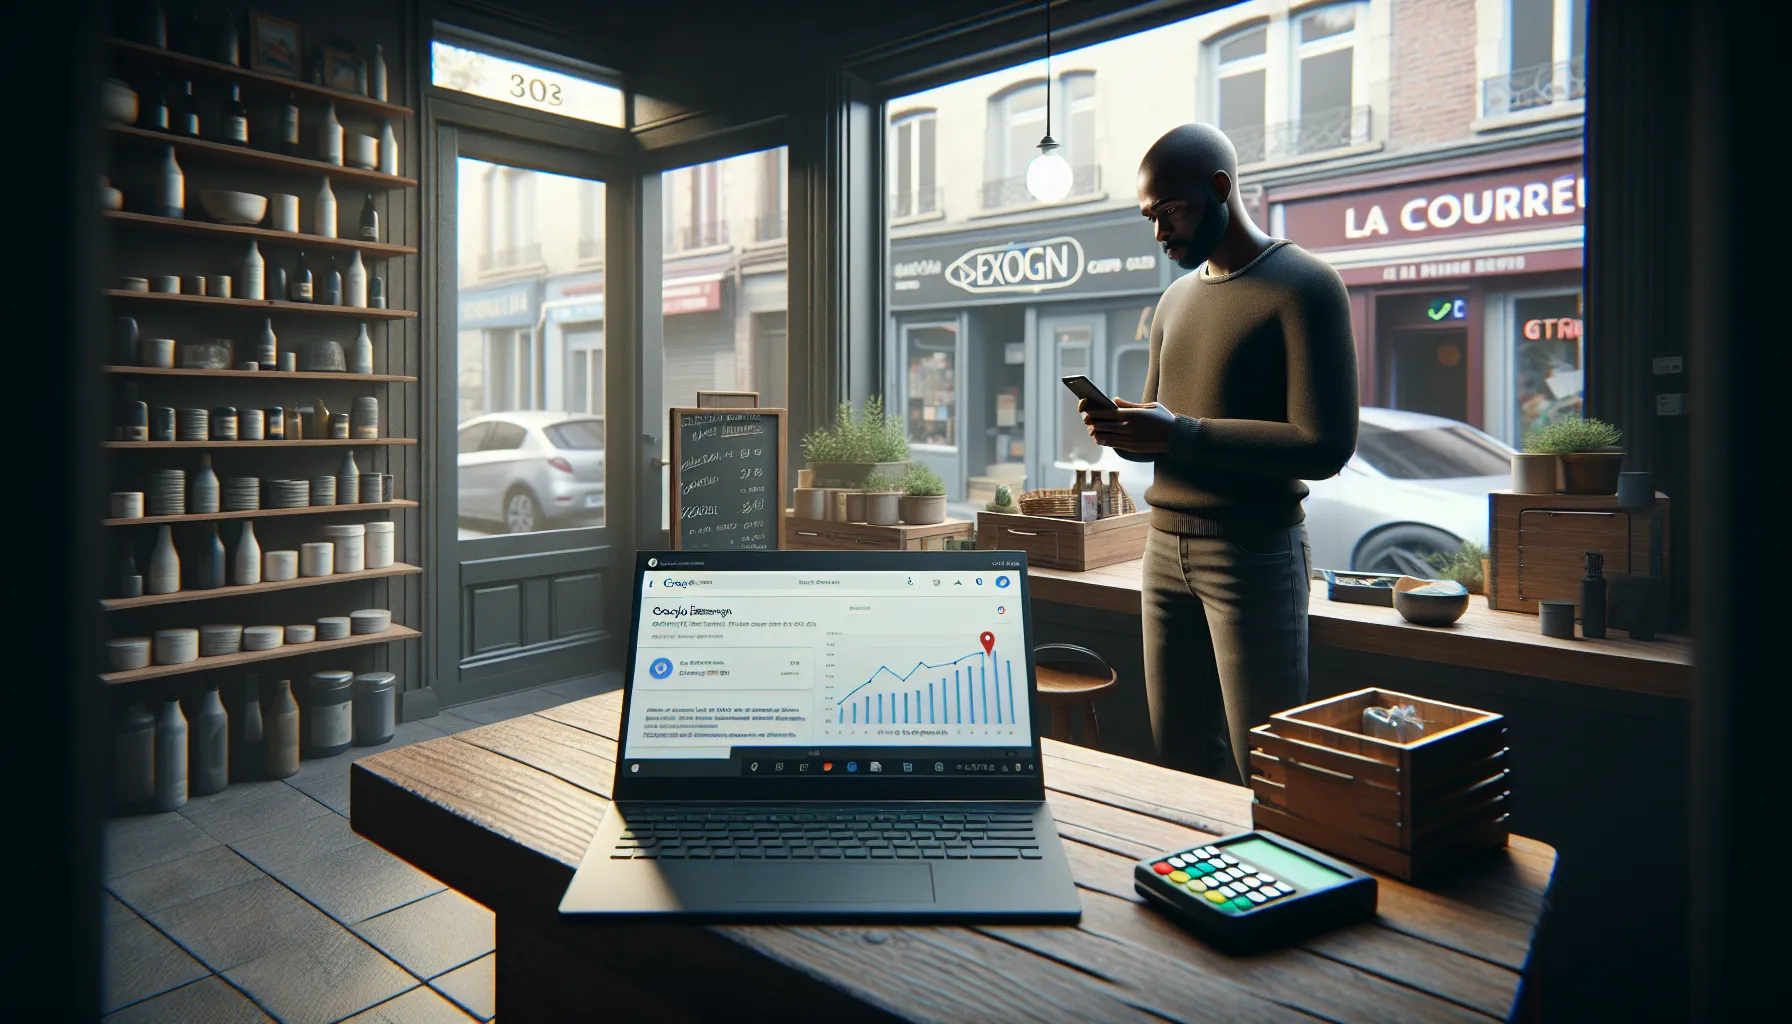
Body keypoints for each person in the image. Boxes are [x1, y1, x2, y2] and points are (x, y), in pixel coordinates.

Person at [1081, 123, 1359, 785]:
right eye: (1150, 217)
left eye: (1170, 212)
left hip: (1253, 554)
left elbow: (1325, 446)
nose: (1159, 233)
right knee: (1177, 764)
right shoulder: (1174, 298)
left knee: (1268, 770)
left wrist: (1179, 433)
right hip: (1161, 552)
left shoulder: (1305, 286)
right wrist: (1126, 428)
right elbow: (1167, 430)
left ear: (1220, 190)